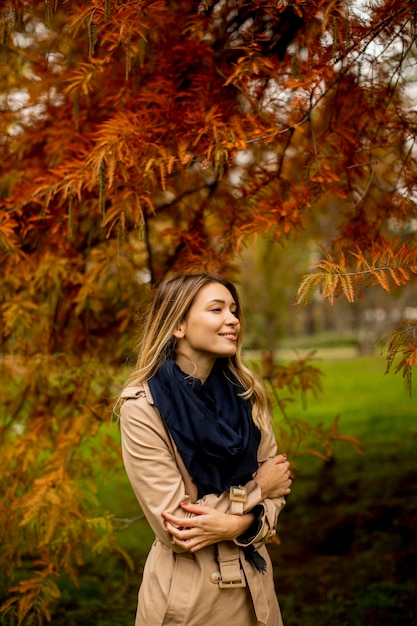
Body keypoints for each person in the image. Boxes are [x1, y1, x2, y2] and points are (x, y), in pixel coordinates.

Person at [117, 272, 292, 626]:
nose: (233, 319)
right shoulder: (141, 408)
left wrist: (235, 524)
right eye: (216, 309)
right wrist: (256, 491)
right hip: (189, 600)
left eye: (233, 310)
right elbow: (178, 527)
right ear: (178, 325)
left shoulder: (247, 394)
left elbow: (279, 492)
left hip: (256, 591)